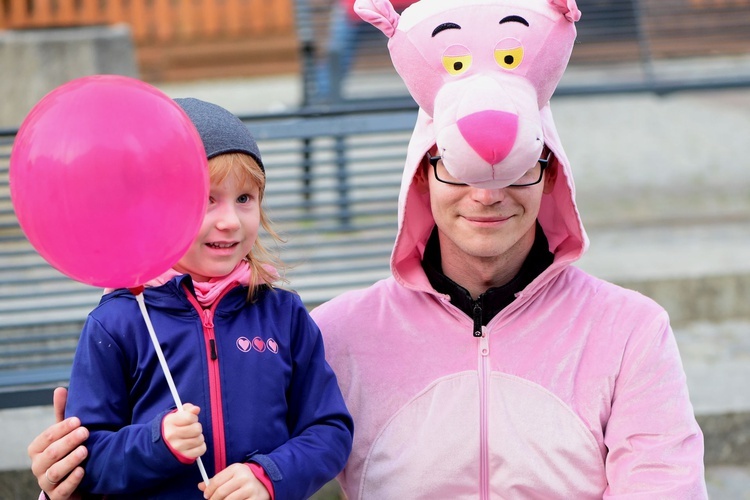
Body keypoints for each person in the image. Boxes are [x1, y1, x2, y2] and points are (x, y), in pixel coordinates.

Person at [31, 0, 708, 497]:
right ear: (420, 177)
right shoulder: (337, 332)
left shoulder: (628, 334)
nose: (486, 192)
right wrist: (68, 476)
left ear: (553, 175)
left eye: (519, 167)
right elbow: (100, 455)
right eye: (455, 167)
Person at [29, 97, 353, 500]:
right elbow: (86, 460)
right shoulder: (117, 323)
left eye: (245, 199)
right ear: (153, 209)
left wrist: (270, 477)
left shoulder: (283, 314)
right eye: (206, 200)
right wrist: (157, 442)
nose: (230, 221)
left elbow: (328, 430)